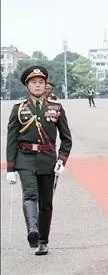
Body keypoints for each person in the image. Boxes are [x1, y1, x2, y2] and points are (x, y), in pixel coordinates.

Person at [5, 65, 72, 255]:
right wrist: (10, 168)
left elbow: (66, 138)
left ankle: (43, 240)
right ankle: (32, 230)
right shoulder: (18, 109)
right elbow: (11, 140)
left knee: (46, 203)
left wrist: (62, 160)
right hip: (25, 159)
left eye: (40, 82)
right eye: (33, 82)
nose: (37, 85)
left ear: (45, 86)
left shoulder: (56, 108)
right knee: (30, 195)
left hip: (47, 159)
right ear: (27, 86)